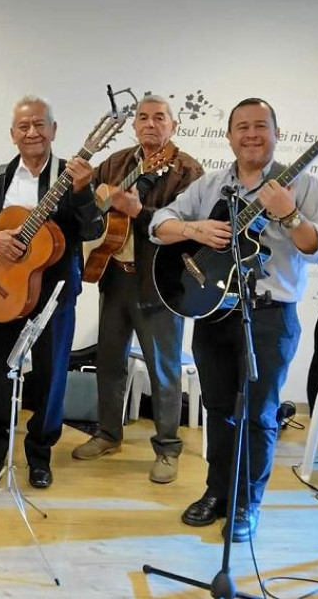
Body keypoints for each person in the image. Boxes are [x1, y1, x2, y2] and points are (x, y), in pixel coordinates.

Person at [151, 97, 318, 540]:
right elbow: (159, 223)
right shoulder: (212, 184)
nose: (251, 134)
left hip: (270, 317)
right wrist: (195, 229)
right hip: (214, 312)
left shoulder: (302, 184)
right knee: (218, 410)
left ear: (277, 133)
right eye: (242, 127)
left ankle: (245, 504)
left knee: (259, 415)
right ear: (230, 136)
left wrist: (288, 214)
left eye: (261, 126)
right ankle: (216, 492)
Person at [0, 95, 103, 489]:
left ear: (54, 130)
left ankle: (40, 454)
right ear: (13, 134)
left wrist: (85, 193)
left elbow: (94, 230)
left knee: (52, 376)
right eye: (24, 126)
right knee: (1, 374)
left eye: (40, 124)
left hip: (55, 294)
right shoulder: (1, 178)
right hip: (3, 289)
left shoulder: (73, 176)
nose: (32, 132)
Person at [72, 95, 204, 483]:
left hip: (160, 285)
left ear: (174, 125)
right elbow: (88, 207)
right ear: (133, 126)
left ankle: (167, 448)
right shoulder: (116, 163)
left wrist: (139, 213)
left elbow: (190, 230)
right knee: (110, 362)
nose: (150, 124)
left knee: (163, 370)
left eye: (159, 118)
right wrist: (87, 195)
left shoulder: (188, 172)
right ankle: (108, 433)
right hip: (114, 276)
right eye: (143, 117)